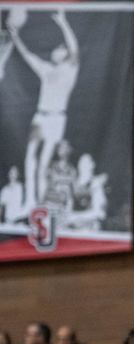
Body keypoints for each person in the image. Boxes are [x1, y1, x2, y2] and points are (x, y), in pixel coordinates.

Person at [8, 9, 79, 207]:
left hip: (57, 119)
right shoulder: (46, 69)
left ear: (64, 54)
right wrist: (15, 37)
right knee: (29, 157)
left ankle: (39, 204)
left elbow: (74, 49)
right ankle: (29, 201)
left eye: (61, 48)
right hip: (41, 116)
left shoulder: (70, 70)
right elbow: (26, 55)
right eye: (57, 47)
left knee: (43, 163)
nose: (58, 49)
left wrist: (63, 23)